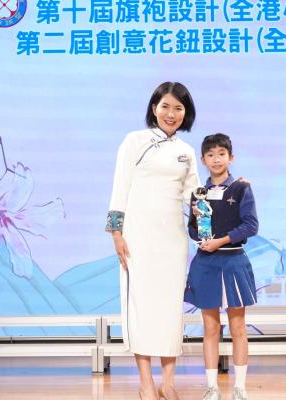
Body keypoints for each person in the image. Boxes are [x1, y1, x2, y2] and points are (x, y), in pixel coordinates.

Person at [105, 82, 201, 400]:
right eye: (165, 106)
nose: (171, 114)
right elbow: (120, 186)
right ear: (154, 108)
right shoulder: (135, 141)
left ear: (186, 113)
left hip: (173, 239)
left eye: (178, 108)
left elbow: (195, 199)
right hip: (138, 238)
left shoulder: (187, 152)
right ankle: (146, 383)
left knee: (171, 309)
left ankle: (167, 383)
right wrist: (116, 233)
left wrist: (227, 188)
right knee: (142, 307)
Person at [184, 133, 259, 400]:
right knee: (210, 328)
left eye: (221, 154)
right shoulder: (198, 193)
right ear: (203, 160)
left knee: (238, 328)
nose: (216, 159)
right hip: (206, 263)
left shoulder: (241, 188)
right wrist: (199, 230)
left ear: (231, 157)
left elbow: (251, 226)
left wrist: (221, 241)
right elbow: (193, 230)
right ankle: (212, 388)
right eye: (210, 155)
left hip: (234, 260)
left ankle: (240, 388)